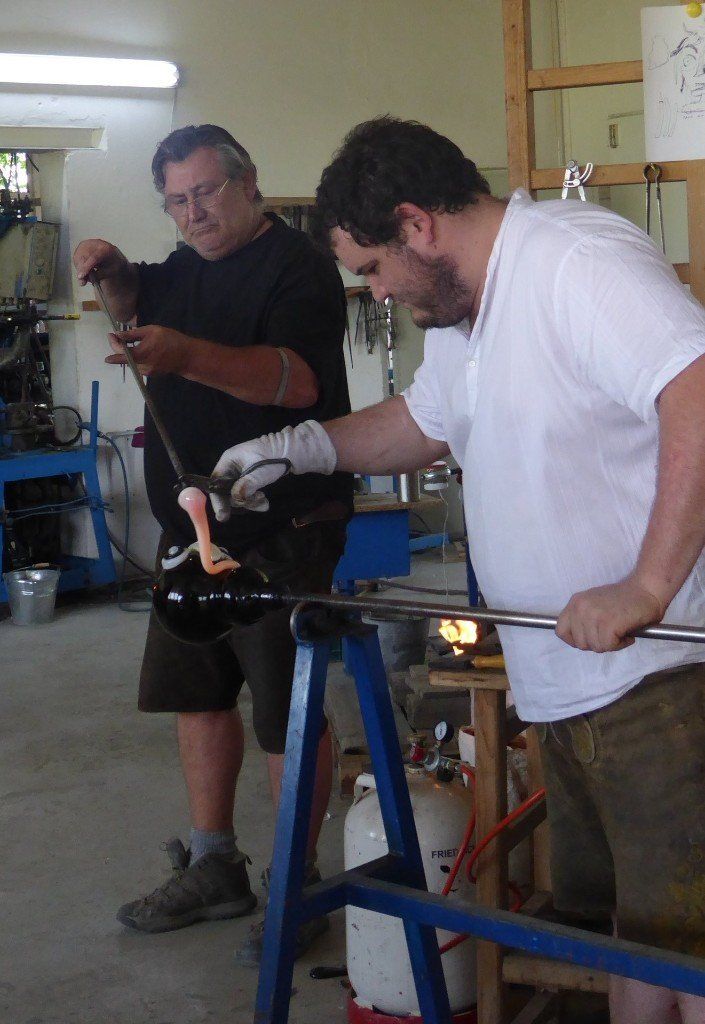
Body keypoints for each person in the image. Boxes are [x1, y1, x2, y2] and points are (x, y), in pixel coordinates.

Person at [209, 117, 705, 1022]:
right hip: (566, 676)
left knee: (693, 941)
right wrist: (300, 447)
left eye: (373, 268)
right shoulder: (461, 312)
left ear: (416, 224)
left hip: (659, 676)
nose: (376, 291)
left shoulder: (572, 262)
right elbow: (426, 423)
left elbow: (697, 388)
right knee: (640, 931)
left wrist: (645, 586)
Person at [72, 124, 352, 964]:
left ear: (248, 181)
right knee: (196, 694)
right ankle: (213, 863)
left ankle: (296, 882)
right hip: (188, 535)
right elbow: (141, 296)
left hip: (282, 531)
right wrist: (114, 273)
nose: (192, 213)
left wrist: (186, 356)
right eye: (176, 201)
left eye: (205, 193)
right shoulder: (182, 269)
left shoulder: (298, 266)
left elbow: (296, 382)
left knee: (283, 712)